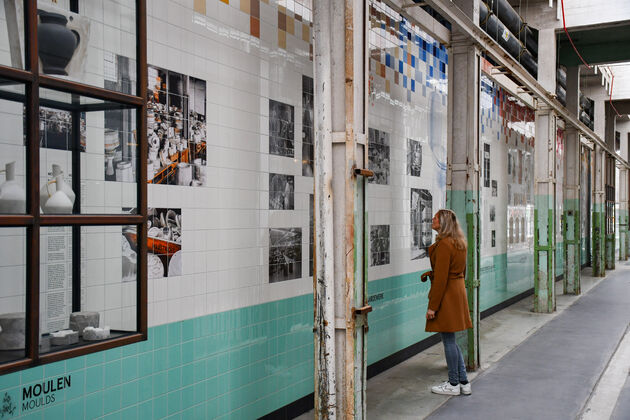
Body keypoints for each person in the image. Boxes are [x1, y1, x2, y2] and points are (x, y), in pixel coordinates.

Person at [420, 209, 473, 396]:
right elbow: (462, 272)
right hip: (457, 291)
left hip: (447, 293)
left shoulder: (443, 245)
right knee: (452, 340)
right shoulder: (460, 243)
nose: (432, 219)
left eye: (435, 218)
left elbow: (441, 279)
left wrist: (432, 306)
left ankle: (452, 383)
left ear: (442, 223)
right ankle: (464, 382)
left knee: (448, 340)